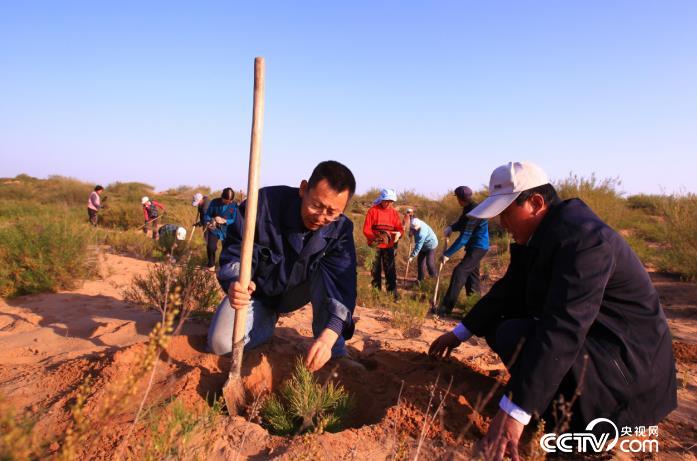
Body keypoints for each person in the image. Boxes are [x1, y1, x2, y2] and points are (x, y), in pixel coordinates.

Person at [429, 162, 677, 460]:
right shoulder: (545, 234)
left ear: (535, 203)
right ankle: (547, 402)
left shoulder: (585, 240)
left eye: (506, 213)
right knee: (506, 328)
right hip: (596, 348)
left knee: (523, 334)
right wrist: (459, 333)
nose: (502, 224)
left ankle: (581, 426)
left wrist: (515, 411)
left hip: (627, 370)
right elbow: (509, 290)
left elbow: (564, 327)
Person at [207, 160, 358, 372]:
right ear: (303, 189)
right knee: (221, 344)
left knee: (328, 275)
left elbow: (343, 286)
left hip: (297, 292)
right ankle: (265, 320)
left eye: (332, 212)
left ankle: (336, 351)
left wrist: (329, 337)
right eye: (316, 205)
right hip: (256, 293)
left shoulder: (340, 230)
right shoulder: (263, 205)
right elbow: (235, 249)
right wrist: (236, 282)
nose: (321, 217)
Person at [434, 185, 489, 315]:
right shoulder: (469, 208)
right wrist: (451, 228)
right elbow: (461, 223)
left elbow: (465, 236)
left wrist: (447, 254)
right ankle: (474, 308)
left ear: (459, 198)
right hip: (474, 247)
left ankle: (446, 308)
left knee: (459, 271)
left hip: (478, 247)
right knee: (472, 277)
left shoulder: (475, 212)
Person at [363, 189, 404, 298]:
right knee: (375, 271)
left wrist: (399, 234)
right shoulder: (373, 211)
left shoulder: (394, 213)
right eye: (386, 200)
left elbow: (400, 229)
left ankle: (392, 295)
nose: (388, 203)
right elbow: (366, 229)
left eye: (391, 201)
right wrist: (375, 238)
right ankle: (376, 295)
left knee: (390, 270)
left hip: (389, 246)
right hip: (374, 246)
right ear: (381, 199)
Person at [203, 188, 237, 272]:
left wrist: (225, 221)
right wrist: (212, 220)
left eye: (230, 201)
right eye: (226, 200)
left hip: (227, 230)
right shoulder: (214, 202)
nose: (228, 202)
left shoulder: (234, 205)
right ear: (222, 197)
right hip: (214, 228)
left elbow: (235, 219)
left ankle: (224, 267)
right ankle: (211, 264)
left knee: (227, 249)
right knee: (211, 247)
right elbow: (207, 215)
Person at [405, 209, 439, 281]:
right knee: (420, 263)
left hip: (431, 245)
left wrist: (412, 256)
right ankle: (420, 280)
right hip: (423, 247)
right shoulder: (414, 221)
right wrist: (411, 233)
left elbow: (418, 247)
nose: (413, 229)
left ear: (418, 227)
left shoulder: (421, 234)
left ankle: (434, 279)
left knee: (429, 263)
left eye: (415, 229)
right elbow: (411, 228)